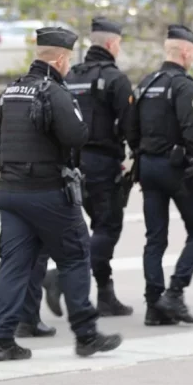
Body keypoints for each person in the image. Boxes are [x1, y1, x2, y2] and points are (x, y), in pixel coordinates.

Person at [0, 27, 122, 361]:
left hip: (11, 191)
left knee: (13, 264)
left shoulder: (11, 91)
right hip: (47, 191)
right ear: (61, 58)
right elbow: (76, 135)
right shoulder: (54, 91)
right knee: (76, 255)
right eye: (68, 59)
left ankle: (2, 340)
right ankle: (86, 335)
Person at [41, 17, 134, 318]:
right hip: (104, 165)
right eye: (118, 43)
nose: (119, 48)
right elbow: (132, 126)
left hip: (74, 165)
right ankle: (61, 278)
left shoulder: (71, 76)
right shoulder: (116, 79)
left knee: (92, 230)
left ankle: (106, 296)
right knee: (108, 227)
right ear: (110, 44)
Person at [129, 25, 193, 326]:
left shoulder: (145, 83)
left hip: (148, 167)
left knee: (155, 238)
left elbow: (129, 128)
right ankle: (175, 293)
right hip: (177, 169)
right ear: (186, 51)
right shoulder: (183, 86)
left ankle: (154, 306)